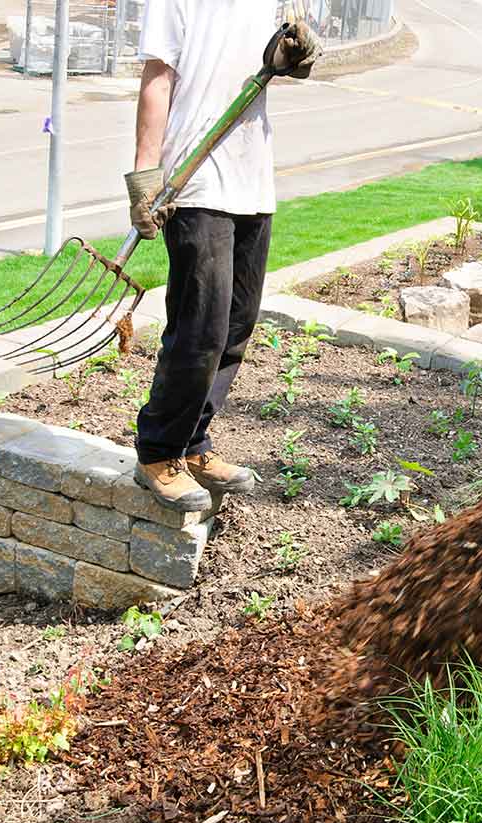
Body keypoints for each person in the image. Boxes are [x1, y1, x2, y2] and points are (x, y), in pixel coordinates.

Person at [124, 2, 318, 511]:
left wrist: (292, 56)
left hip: (253, 179)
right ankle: (158, 452)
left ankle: (192, 443)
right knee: (200, 327)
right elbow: (157, 78)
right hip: (195, 179)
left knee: (236, 324)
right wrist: (146, 176)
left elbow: (287, 61)